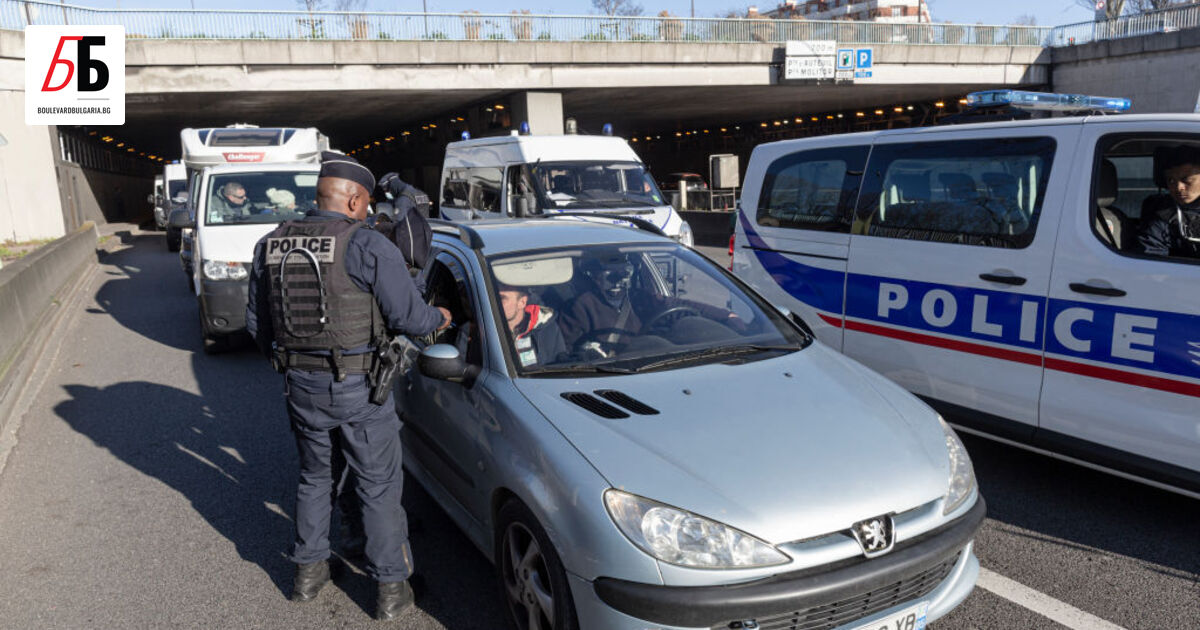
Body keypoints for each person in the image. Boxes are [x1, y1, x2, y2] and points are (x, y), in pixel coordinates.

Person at [246, 151, 451, 620]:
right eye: (368, 201)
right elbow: (410, 320)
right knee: (378, 486)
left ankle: (307, 574)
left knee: (314, 477)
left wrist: (296, 365)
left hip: (300, 385)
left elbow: (256, 325)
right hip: (360, 388)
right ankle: (391, 589)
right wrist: (441, 315)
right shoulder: (368, 245)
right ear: (356, 198)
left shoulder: (272, 243)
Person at [1137, 145, 1200, 259]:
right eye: (1171, 180)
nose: (1178, 187)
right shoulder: (1164, 216)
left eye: (1186, 180)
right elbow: (1150, 261)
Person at [497, 284, 567, 367]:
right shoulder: (484, 328)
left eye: (501, 298)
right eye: (493, 297)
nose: (494, 302)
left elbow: (559, 367)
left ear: (522, 302)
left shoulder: (546, 328)